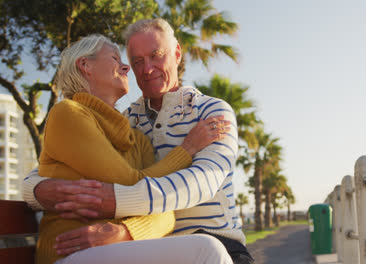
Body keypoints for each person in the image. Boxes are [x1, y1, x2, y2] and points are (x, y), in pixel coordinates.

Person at [23, 18, 254, 264]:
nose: (146, 69)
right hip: (151, 247)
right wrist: (35, 190)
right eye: (137, 62)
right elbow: (56, 170)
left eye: (156, 55)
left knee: (209, 249)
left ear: (177, 53)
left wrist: (118, 210)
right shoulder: (127, 123)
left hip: (212, 242)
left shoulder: (211, 111)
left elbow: (201, 183)